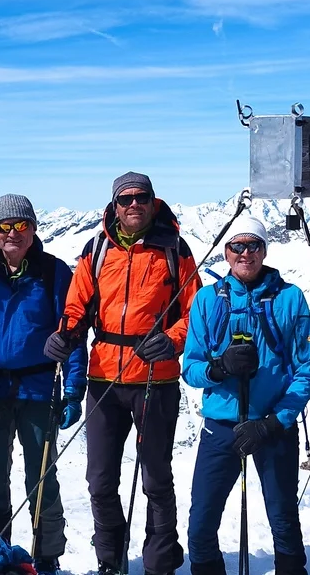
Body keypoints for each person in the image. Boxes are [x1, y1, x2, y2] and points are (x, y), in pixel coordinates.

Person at [43, 171, 200, 575]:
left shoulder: (175, 250)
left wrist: (172, 340)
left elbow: (195, 314)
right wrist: (67, 334)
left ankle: (159, 563)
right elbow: (77, 305)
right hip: (104, 379)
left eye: (141, 197)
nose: (134, 205)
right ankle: (110, 562)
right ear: (114, 205)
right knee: (100, 480)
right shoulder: (96, 249)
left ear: (153, 201)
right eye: (125, 199)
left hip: (156, 377)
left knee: (156, 479)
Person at [181, 216, 310, 575]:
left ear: (264, 249)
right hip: (221, 425)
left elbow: (309, 369)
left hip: (272, 426)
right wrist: (219, 368)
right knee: (201, 522)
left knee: (283, 518)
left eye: (253, 245)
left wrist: (276, 422)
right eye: (237, 246)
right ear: (226, 253)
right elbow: (191, 368)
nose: (245, 253)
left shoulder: (289, 298)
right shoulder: (207, 300)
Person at [0, 194, 85, 575]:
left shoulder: (54, 272)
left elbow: (72, 331)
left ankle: (46, 557)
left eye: (21, 225)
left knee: (41, 476)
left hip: (39, 389)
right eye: (4, 226)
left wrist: (74, 390)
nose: (12, 233)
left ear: (33, 229)